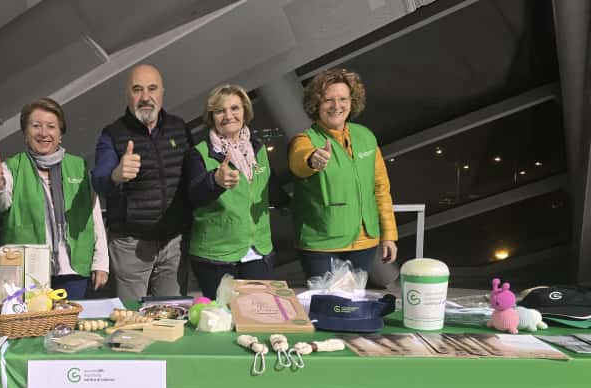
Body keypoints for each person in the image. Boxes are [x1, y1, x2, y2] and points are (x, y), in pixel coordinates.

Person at [0, 98, 108, 300]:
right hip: (23, 269)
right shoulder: (11, 167)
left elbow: (94, 218)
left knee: (66, 329)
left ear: (60, 134)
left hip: (71, 269)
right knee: (25, 329)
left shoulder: (79, 166)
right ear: (25, 133)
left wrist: (101, 263)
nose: (43, 133)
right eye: (36, 126)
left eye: (51, 126)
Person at [92, 64, 194, 300]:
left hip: (174, 244)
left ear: (162, 92)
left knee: (172, 315)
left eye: (152, 89)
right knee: (130, 322)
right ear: (127, 95)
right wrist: (116, 174)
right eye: (137, 90)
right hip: (130, 246)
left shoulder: (179, 128)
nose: (145, 97)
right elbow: (99, 181)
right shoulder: (112, 133)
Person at [288, 68, 398, 280]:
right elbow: (299, 162)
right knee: (326, 305)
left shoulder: (365, 136)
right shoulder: (305, 140)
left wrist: (389, 235)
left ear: (352, 101)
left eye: (343, 99)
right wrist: (313, 160)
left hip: (365, 241)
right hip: (321, 244)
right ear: (316, 104)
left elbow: (381, 188)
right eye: (328, 99)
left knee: (352, 304)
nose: (336, 106)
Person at [183, 84, 274, 300]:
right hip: (216, 257)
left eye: (235, 108)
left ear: (245, 111)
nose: (228, 115)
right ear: (211, 116)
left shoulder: (259, 149)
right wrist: (215, 181)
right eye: (220, 111)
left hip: (258, 251)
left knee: (257, 318)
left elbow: (271, 188)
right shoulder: (199, 153)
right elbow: (194, 195)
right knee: (221, 321)